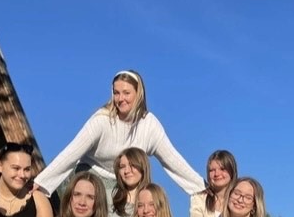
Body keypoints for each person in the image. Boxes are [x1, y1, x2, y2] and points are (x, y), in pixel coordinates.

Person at [33, 70, 204, 209]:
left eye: (126, 93)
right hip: (91, 177)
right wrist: (41, 182)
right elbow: (71, 153)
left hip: (125, 184)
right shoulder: (102, 120)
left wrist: (201, 187)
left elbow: (173, 160)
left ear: (138, 94)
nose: (120, 99)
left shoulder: (149, 124)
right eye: (116, 93)